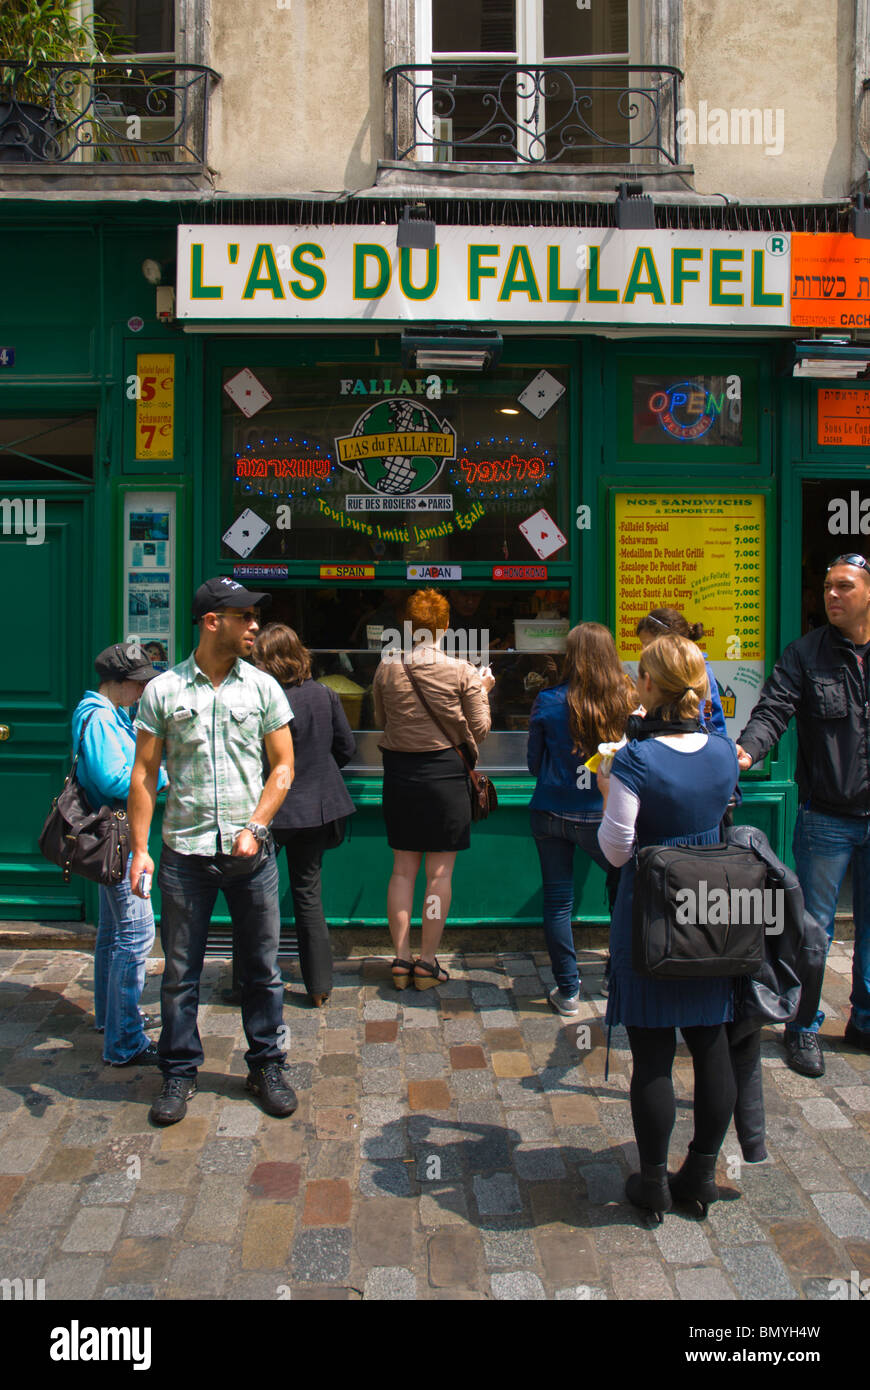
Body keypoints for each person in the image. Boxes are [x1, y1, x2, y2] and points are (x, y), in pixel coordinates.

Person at [128, 577, 296, 1127]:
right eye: (244, 616)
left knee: (262, 968)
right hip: (185, 853)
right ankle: (178, 1072)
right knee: (179, 971)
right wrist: (139, 850)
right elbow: (145, 774)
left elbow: (283, 768)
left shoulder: (264, 688)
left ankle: (266, 1064)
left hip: (252, 855)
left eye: (255, 616)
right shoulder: (164, 691)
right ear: (211, 621)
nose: (255, 626)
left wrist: (257, 824)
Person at [598, 633, 740, 1220]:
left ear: (650, 685)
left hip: (650, 911)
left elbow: (616, 847)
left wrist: (609, 781)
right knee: (711, 1041)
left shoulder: (635, 758)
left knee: (654, 1051)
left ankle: (654, 1182)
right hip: (710, 907)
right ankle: (700, 1173)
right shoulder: (722, 752)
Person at [735, 553, 870, 1077]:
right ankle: (803, 1026)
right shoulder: (806, 654)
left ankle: (864, 1019)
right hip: (827, 818)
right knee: (813, 932)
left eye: (844, 587)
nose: (831, 596)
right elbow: (773, 710)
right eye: (827, 587)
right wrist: (745, 753)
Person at [373, 588, 493, 990]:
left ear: (409, 625)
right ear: (445, 625)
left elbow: (380, 718)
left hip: (400, 773)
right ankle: (427, 963)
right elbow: (480, 730)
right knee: (438, 873)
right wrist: (484, 692)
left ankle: (401, 959)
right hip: (444, 776)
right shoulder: (462, 672)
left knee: (401, 870)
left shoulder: (387, 668)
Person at [527, 622, 636, 1016]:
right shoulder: (628, 701)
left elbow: (532, 765)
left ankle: (568, 990)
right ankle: (614, 977)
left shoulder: (548, 700)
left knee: (558, 901)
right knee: (624, 895)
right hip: (604, 814)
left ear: (571, 656)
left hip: (552, 809)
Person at [252, 622, 357, 1008]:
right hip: (315, 808)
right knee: (308, 896)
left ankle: (248, 981)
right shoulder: (323, 695)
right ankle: (319, 986)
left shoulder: (260, 697)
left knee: (253, 899)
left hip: (267, 809)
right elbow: (345, 747)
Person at [72, 642, 166, 1067]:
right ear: (119, 683)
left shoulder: (107, 714)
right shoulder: (100, 720)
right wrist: (160, 775)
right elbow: (113, 779)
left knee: (113, 931)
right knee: (137, 934)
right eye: (139, 683)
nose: (143, 690)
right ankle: (125, 1041)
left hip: (111, 836)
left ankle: (111, 1021)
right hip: (119, 838)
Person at [636, 608, 727, 735]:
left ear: (671, 642)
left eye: (649, 645)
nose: (644, 651)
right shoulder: (655, 672)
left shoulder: (696, 670)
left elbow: (709, 721)